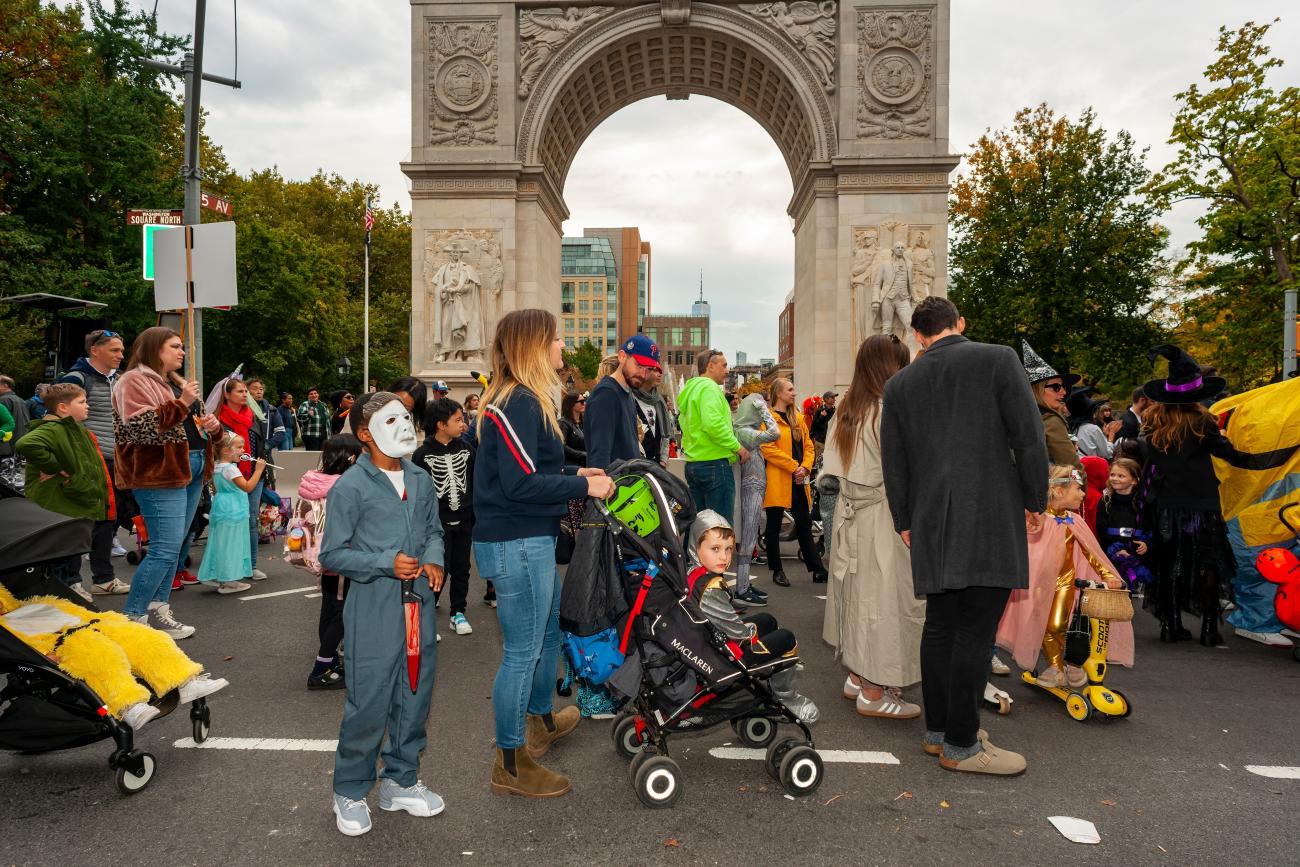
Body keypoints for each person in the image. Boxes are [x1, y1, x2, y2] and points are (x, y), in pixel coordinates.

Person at [881, 297, 1046, 776]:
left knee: (940, 626)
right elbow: (1028, 436)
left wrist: (905, 519)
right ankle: (961, 744)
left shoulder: (901, 383)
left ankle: (940, 733)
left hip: (931, 517)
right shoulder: (997, 359)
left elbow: (896, 461)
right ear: (960, 324)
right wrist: (1036, 500)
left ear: (917, 335)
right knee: (975, 630)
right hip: (988, 512)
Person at [473, 309, 615, 798]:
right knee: (522, 651)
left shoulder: (525, 401)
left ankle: (538, 722)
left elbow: (532, 471)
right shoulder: (518, 404)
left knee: (546, 634)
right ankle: (510, 762)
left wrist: (580, 476)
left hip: (528, 539)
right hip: (516, 543)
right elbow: (520, 484)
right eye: (556, 340)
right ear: (534, 346)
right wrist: (584, 484)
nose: (562, 348)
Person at [321, 392, 445, 837]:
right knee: (369, 701)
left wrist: (434, 560)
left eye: (406, 417)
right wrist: (382, 563)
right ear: (364, 435)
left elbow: (433, 530)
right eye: (391, 419)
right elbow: (332, 554)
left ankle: (400, 780)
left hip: (418, 609)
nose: (405, 425)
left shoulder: (421, 477)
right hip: (373, 609)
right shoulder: (351, 486)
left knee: (414, 696)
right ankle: (350, 790)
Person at [821, 335, 924, 720]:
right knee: (883, 605)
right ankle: (873, 691)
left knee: (856, 599)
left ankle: (857, 676)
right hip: (882, 519)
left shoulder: (848, 409)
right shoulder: (885, 411)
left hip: (853, 516)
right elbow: (905, 470)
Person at [1139, 345, 1258, 647]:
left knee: (1169, 563)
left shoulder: (1153, 422)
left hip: (1165, 503)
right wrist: (1266, 459)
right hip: (1202, 504)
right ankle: (1208, 627)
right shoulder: (1203, 422)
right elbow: (1228, 454)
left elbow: (1150, 465)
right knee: (1208, 564)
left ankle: (1171, 625)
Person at [0, 582, 227, 731]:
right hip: (63, 643)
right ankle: (129, 706)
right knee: (101, 655)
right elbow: (25, 646)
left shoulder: (40, 602)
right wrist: (44, 654)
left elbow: (84, 613)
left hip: (89, 624)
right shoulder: (5, 627)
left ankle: (186, 681)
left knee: (146, 636)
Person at [113, 327, 219, 640]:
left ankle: (159, 610)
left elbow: (189, 424)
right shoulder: (133, 380)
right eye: (175, 346)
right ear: (155, 349)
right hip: (159, 475)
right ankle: (133, 618)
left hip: (189, 470)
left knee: (171, 551)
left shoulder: (171, 382)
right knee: (163, 550)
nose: (182, 352)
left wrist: (212, 426)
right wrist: (183, 402)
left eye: (182, 346)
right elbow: (140, 428)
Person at [996, 465, 1134, 687]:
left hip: (1064, 583)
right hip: (1036, 584)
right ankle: (1056, 668)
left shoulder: (1073, 521)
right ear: (1060, 491)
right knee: (1042, 625)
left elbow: (1092, 553)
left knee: (1057, 624)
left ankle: (1072, 664)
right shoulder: (1036, 519)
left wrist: (1108, 575)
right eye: (1078, 489)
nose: (1083, 495)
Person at [687, 510, 818, 722]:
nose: (724, 556)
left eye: (729, 549)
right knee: (786, 638)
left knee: (767, 620)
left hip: (707, 644)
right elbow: (738, 633)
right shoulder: (711, 588)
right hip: (722, 658)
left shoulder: (693, 573)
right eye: (715, 549)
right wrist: (752, 634)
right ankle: (784, 697)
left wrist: (752, 631)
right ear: (696, 547)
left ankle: (769, 675)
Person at [15, 383, 115, 597]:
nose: (87, 406)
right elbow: (26, 444)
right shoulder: (53, 429)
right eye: (82, 402)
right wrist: (56, 467)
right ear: (62, 408)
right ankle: (63, 592)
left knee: (69, 548)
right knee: (61, 552)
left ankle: (67, 588)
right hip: (59, 501)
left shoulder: (72, 428)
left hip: (69, 498)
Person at [296, 433, 363, 690]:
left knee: (329, 610)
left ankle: (331, 660)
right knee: (342, 615)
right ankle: (321, 669)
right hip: (342, 558)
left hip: (321, 557)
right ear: (352, 457)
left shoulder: (314, 480)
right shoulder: (344, 486)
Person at [67, 329, 131, 585]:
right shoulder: (77, 377)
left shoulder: (118, 379)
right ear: (95, 350)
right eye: (115, 350)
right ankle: (71, 582)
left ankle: (104, 579)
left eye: (122, 350)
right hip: (89, 461)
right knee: (81, 522)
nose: (121, 355)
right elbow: (56, 412)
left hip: (116, 461)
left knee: (108, 520)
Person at [413, 398, 475, 636]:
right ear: (440, 424)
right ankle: (426, 616)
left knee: (462, 568)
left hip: (465, 518)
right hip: (437, 524)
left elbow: (473, 482)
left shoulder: (467, 450)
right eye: (458, 420)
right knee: (439, 567)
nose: (463, 425)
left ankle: (458, 612)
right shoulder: (422, 455)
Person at [761, 378, 826, 587]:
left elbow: (809, 446)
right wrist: (793, 466)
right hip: (779, 479)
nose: (794, 393)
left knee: (804, 524)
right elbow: (768, 449)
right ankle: (777, 570)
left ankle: (817, 569)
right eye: (790, 389)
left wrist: (805, 467)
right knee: (773, 525)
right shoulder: (768, 419)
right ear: (778, 393)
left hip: (799, 479)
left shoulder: (797, 418)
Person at [678, 349, 749, 523]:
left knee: (699, 527)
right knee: (720, 527)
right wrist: (738, 447)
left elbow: (685, 425)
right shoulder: (709, 388)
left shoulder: (691, 390)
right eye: (724, 365)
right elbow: (712, 424)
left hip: (694, 464)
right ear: (710, 365)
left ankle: (691, 551)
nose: (727, 370)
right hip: (715, 465)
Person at [197, 432, 266, 595]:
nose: (243, 450)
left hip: (221, 507)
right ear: (226, 450)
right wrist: (259, 470)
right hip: (234, 510)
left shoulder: (217, 465)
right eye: (239, 447)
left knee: (220, 543)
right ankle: (229, 581)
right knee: (232, 545)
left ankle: (217, 575)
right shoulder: (230, 469)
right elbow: (248, 487)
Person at [215, 378, 269, 583]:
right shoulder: (219, 420)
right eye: (240, 391)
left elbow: (261, 445)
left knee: (251, 518)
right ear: (227, 395)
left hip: (254, 473)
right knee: (231, 523)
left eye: (246, 391)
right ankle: (229, 568)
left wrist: (264, 471)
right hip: (230, 476)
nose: (245, 395)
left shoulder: (252, 416)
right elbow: (216, 450)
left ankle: (251, 565)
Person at [731, 394, 780, 606]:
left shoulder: (745, 431)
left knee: (750, 538)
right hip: (751, 488)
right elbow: (774, 432)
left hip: (754, 487)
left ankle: (744, 584)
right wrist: (764, 410)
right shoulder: (745, 432)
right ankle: (741, 588)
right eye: (758, 406)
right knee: (748, 538)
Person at [584, 335, 657, 470]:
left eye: (650, 369)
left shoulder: (626, 393)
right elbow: (599, 456)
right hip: (613, 487)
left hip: (626, 484)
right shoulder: (606, 393)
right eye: (639, 365)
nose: (643, 375)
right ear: (622, 357)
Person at [1022, 341, 1083, 478]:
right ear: (1037, 390)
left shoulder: (1018, 418)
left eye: (1063, 387)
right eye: (1056, 387)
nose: (1063, 392)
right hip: (1051, 495)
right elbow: (1072, 468)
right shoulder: (1050, 420)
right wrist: (1081, 492)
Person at [1094, 457, 1154, 594]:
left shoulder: (1143, 504)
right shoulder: (1105, 502)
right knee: (1114, 592)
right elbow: (1101, 531)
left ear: (1134, 480)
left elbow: (1149, 528)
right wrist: (1115, 550)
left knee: (1129, 591)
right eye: (1113, 475)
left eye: (1121, 476)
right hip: (1111, 554)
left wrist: (1146, 543)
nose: (1115, 478)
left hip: (1135, 555)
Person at [634, 365, 671, 466]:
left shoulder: (659, 401)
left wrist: (663, 459)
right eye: (655, 370)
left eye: (660, 371)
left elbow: (665, 432)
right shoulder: (630, 398)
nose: (660, 374)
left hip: (657, 464)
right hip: (636, 465)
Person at [0, 374, 31, 489]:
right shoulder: (21, 400)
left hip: (6, 446)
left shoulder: (3, 400)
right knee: (15, 479)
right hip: (20, 443)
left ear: (5, 386)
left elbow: (6, 425)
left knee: (4, 480)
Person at [559, 392, 587, 465]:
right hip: (572, 467)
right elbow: (562, 446)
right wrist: (583, 454)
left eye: (584, 400)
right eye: (581, 402)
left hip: (585, 464)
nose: (584, 403)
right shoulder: (563, 423)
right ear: (571, 404)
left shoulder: (584, 422)